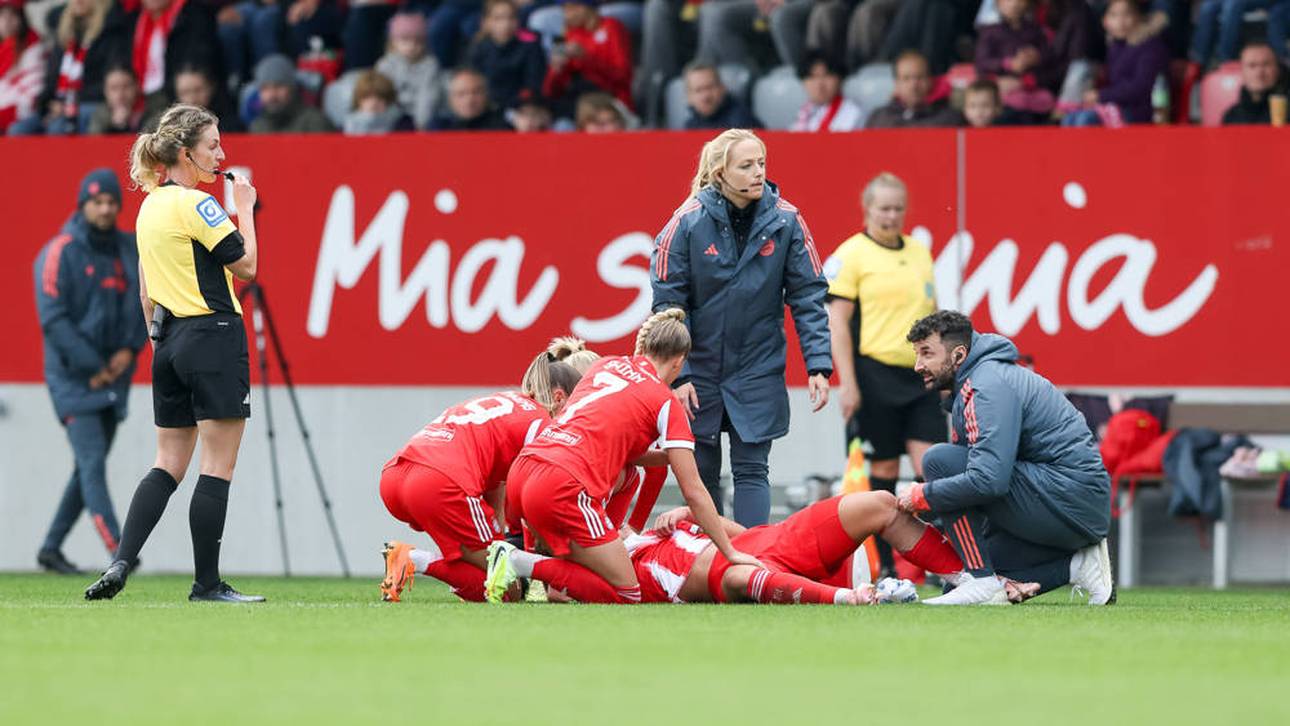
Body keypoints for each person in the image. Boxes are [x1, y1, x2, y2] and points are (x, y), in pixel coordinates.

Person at [85, 103, 264, 603]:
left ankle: (122, 560)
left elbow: (146, 291)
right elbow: (246, 265)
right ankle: (206, 583)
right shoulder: (197, 204)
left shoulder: (149, 206)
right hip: (214, 333)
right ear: (186, 152)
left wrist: (159, 340)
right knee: (217, 465)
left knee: (166, 462)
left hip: (168, 343)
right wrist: (243, 207)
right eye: (212, 146)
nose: (221, 154)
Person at [485, 310, 765, 605]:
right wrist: (730, 551)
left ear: (644, 348)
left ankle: (544, 574)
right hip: (562, 483)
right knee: (628, 591)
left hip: (525, 468)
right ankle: (517, 561)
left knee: (624, 475)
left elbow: (619, 448)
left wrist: (671, 458)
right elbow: (693, 491)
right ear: (680, 361)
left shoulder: (605, 364)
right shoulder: (664, 400)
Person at [650, 129, 832, 527]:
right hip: (698, 368)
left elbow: (808, 296)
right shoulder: (686, 222)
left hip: (758, 365)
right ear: (720, 173)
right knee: (702, 472)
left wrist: (819, 364)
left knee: (753, 468)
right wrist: (681, 376)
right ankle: (709, 565)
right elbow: (668, 306)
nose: (758, 174)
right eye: (746, 165)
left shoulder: (787, 220)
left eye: (762, 164)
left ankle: (754, 568)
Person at [898, 311, 1114, 605]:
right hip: (1071, 507)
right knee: (956, 587)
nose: (918, 365)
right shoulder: (979, 381)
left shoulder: (984, 386)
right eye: (917, 354)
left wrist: (924, 495)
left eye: (926, 353)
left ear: (959, 354)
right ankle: (1077, 565)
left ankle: (982, 579)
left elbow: (989, 481)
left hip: (1069, 502)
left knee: (939, 461)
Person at [378, 352, 584, 603]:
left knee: (495, 570)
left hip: (394, 477)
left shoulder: (508, 401)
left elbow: (495, 483)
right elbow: (536, 504)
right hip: (440, 482)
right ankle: (412, 559)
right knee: (508, 590)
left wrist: (496, 540)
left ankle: (408, 559)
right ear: (559, 397)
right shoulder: (542, 423)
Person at [824, 172, 943, 579]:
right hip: (874, 375)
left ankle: (953, 563)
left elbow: (934, 316)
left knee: (936, 467)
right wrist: (849, 383)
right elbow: (837, 324)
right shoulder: (851, 255)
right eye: (883, 208)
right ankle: (886, 568)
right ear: (867, 209)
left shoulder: (920, 251)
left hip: (920, 375)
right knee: (885, 474)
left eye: (898, 208)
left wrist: (945, 374)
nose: (891, 216)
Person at [32, 169, 147, 575]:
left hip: (115, 374)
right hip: (73, 378)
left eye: (112, 202)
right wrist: (93, 366)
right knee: (93, 462)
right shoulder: (59, 251)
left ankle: (50, 548)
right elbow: (53, 319)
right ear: (83, 205)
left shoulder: (128, 249)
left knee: (86, 468)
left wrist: (129, 349)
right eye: (97, 202)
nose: (105, 209)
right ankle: (121, 550)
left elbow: (145, 299)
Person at [11, 0, 129, 136]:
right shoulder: (63, 33)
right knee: (18, 130)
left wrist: (69, 103)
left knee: (57, 128)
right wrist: (47, 103)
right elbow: (51, 79)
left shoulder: (110, 33)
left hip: (92, 102)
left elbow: (109, 82)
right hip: (60, 104)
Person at [1061, 0, 1167, 127]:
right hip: (1113, 105)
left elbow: (1140, 87)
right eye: (1114, 15)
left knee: (1085, 119)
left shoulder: (1151, 47)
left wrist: (1101, 95)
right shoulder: (1114, 46)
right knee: (1069, 119)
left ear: (1138, 16)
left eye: (1127, 14)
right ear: (1105, 22)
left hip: (1137, 111)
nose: (1121, 22)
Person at [974, 0, 1062, 123]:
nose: (1014, 4)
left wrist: (1035, 59)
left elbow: (1052, 62)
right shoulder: (990, 32)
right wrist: (1008, 64)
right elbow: (982, 62)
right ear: (998, 4)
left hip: (1034, 92)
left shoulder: (1035, 31)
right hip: (1002, 93)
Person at [543, 0, 633, 116]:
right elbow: (551, 91)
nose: (566, 15)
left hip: (610, 102)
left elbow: (623, 77)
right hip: (577, 103)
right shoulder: (569, 34)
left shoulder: (612, 27)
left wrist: (586, 58)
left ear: (584, 8)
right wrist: (556, 70)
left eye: (570, 9)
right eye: (564, 10)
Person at [467, 0, 546, 112]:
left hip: (521, 109)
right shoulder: (478, 48)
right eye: (498, 18)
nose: (506, 24)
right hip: (486, 108)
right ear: (486, 22)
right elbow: (474, 82)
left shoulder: (531, 47)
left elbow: (533, 86)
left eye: (511, 17)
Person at [376, 11, 441, 130]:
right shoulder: (385, 65)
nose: (412, 46)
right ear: (393, 42)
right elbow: (383, 95)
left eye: (418, 41)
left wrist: (421, 123)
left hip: (421, 118)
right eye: (405, 40)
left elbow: (428, 96)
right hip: (392, 116)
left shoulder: (430, 65)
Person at [865, 50, 964, 128]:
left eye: (919, 77)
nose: (913, 86)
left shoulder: (950, 120)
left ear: (931, 81)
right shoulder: (879, 118)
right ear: (896, 84)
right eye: (906, 78)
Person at [247, 53, 334, 133]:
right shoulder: (257, 127)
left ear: (292, 88)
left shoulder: (315, 123)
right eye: (265, 89)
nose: (272, 95)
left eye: (278, 86)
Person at [0, 0, 47, 134]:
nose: (7, 22)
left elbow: (30, 96)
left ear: (22, 18)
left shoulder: (33, 47)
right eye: (2, 16)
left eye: (12, 15)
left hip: (23, 114)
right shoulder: (3, 49)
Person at [790, 51, 864, 132]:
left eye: (826, 76)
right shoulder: (803, 112)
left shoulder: (853, 112)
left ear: (840, 80)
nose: (819, 85)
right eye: (812, 77)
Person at [1223, 42, 1290, 125]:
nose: (1259, 72)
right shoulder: (1231, 117)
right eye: (1252, 65)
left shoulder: (1287, 113)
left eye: (1266, 64)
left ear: (1277, 69)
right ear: (1242, 71)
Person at [682, 60, 761, 129]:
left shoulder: (741, 123)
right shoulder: (690, 126)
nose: (705, 96)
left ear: (722, 88)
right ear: (689, 97)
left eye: (710, 87)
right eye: (698, 90)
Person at [429, 66, 512, 130]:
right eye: (461, 94)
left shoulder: (504, 126)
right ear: (451, 99)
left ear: (486, 94)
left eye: (476, 92)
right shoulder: (439, 128)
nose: (469, 100)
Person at [343, 69, 415, 134]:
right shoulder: (348, 125)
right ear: (358, 100)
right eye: (367, 97)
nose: (373, 103)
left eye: (379, 98)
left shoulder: (404, 123)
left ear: (389, 100)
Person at [86, 65, 147, 134]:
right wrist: (117, 126)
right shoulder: (99, 115)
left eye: (126, 87)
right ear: (105, 91)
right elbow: (94, 143)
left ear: (137, 87)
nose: (120, 95)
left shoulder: (149, 113)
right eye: (114, 88)